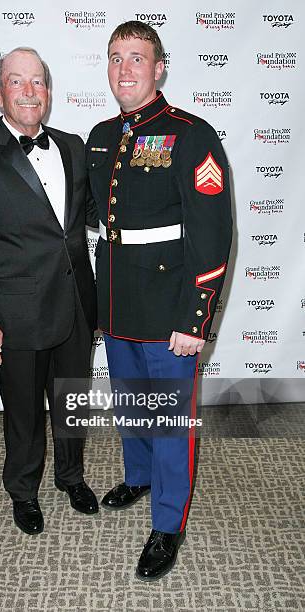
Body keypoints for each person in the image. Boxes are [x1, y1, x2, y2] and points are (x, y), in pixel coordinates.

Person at [86, 22, 232, 580]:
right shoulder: (101, 135)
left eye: (137, 59)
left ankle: (168, 523)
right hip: (119, 304)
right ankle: (139, 476)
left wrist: (195, 319)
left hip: (171, 308)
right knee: (130, 406)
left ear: (159, 68)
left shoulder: (191, 134)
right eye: (116, 58)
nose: (125, 70)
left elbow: (212, 234)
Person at [0, 47, 99, 536]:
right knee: (24, 410)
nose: (30, 91)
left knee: (72, 399)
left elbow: (91, 219)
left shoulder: (74, 147)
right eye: (17, 82)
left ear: (49, 92)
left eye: (38, 81)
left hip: (76, 303)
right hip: (16, 313)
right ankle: (23, 491)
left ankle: (71, 477)